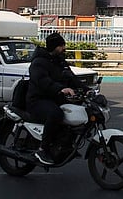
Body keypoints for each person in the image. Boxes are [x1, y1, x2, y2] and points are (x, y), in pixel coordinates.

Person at [26, 33, 90, 165]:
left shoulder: (59, 61)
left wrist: (87, 90)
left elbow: (71, 77)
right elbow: (42, 80)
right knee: (56, 113)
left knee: (76, 110)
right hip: (38, 99)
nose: (64, 48)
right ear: (54, 47)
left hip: (54, 98)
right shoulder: (39, 62)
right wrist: (60, 89)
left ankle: (66, 145)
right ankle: (43, 149)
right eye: (61, 45)